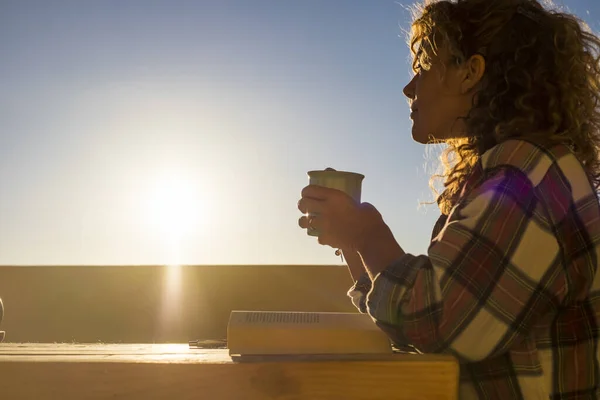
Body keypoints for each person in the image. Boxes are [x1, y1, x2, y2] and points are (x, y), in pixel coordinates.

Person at [297, 0, 600, 398]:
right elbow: (421, 325)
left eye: (422, 68)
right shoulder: (525, 170)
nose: (409, 87)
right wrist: (353, 245)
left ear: (471, 72)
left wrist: (368, 233)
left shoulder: (522, 178)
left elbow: (440, 321)